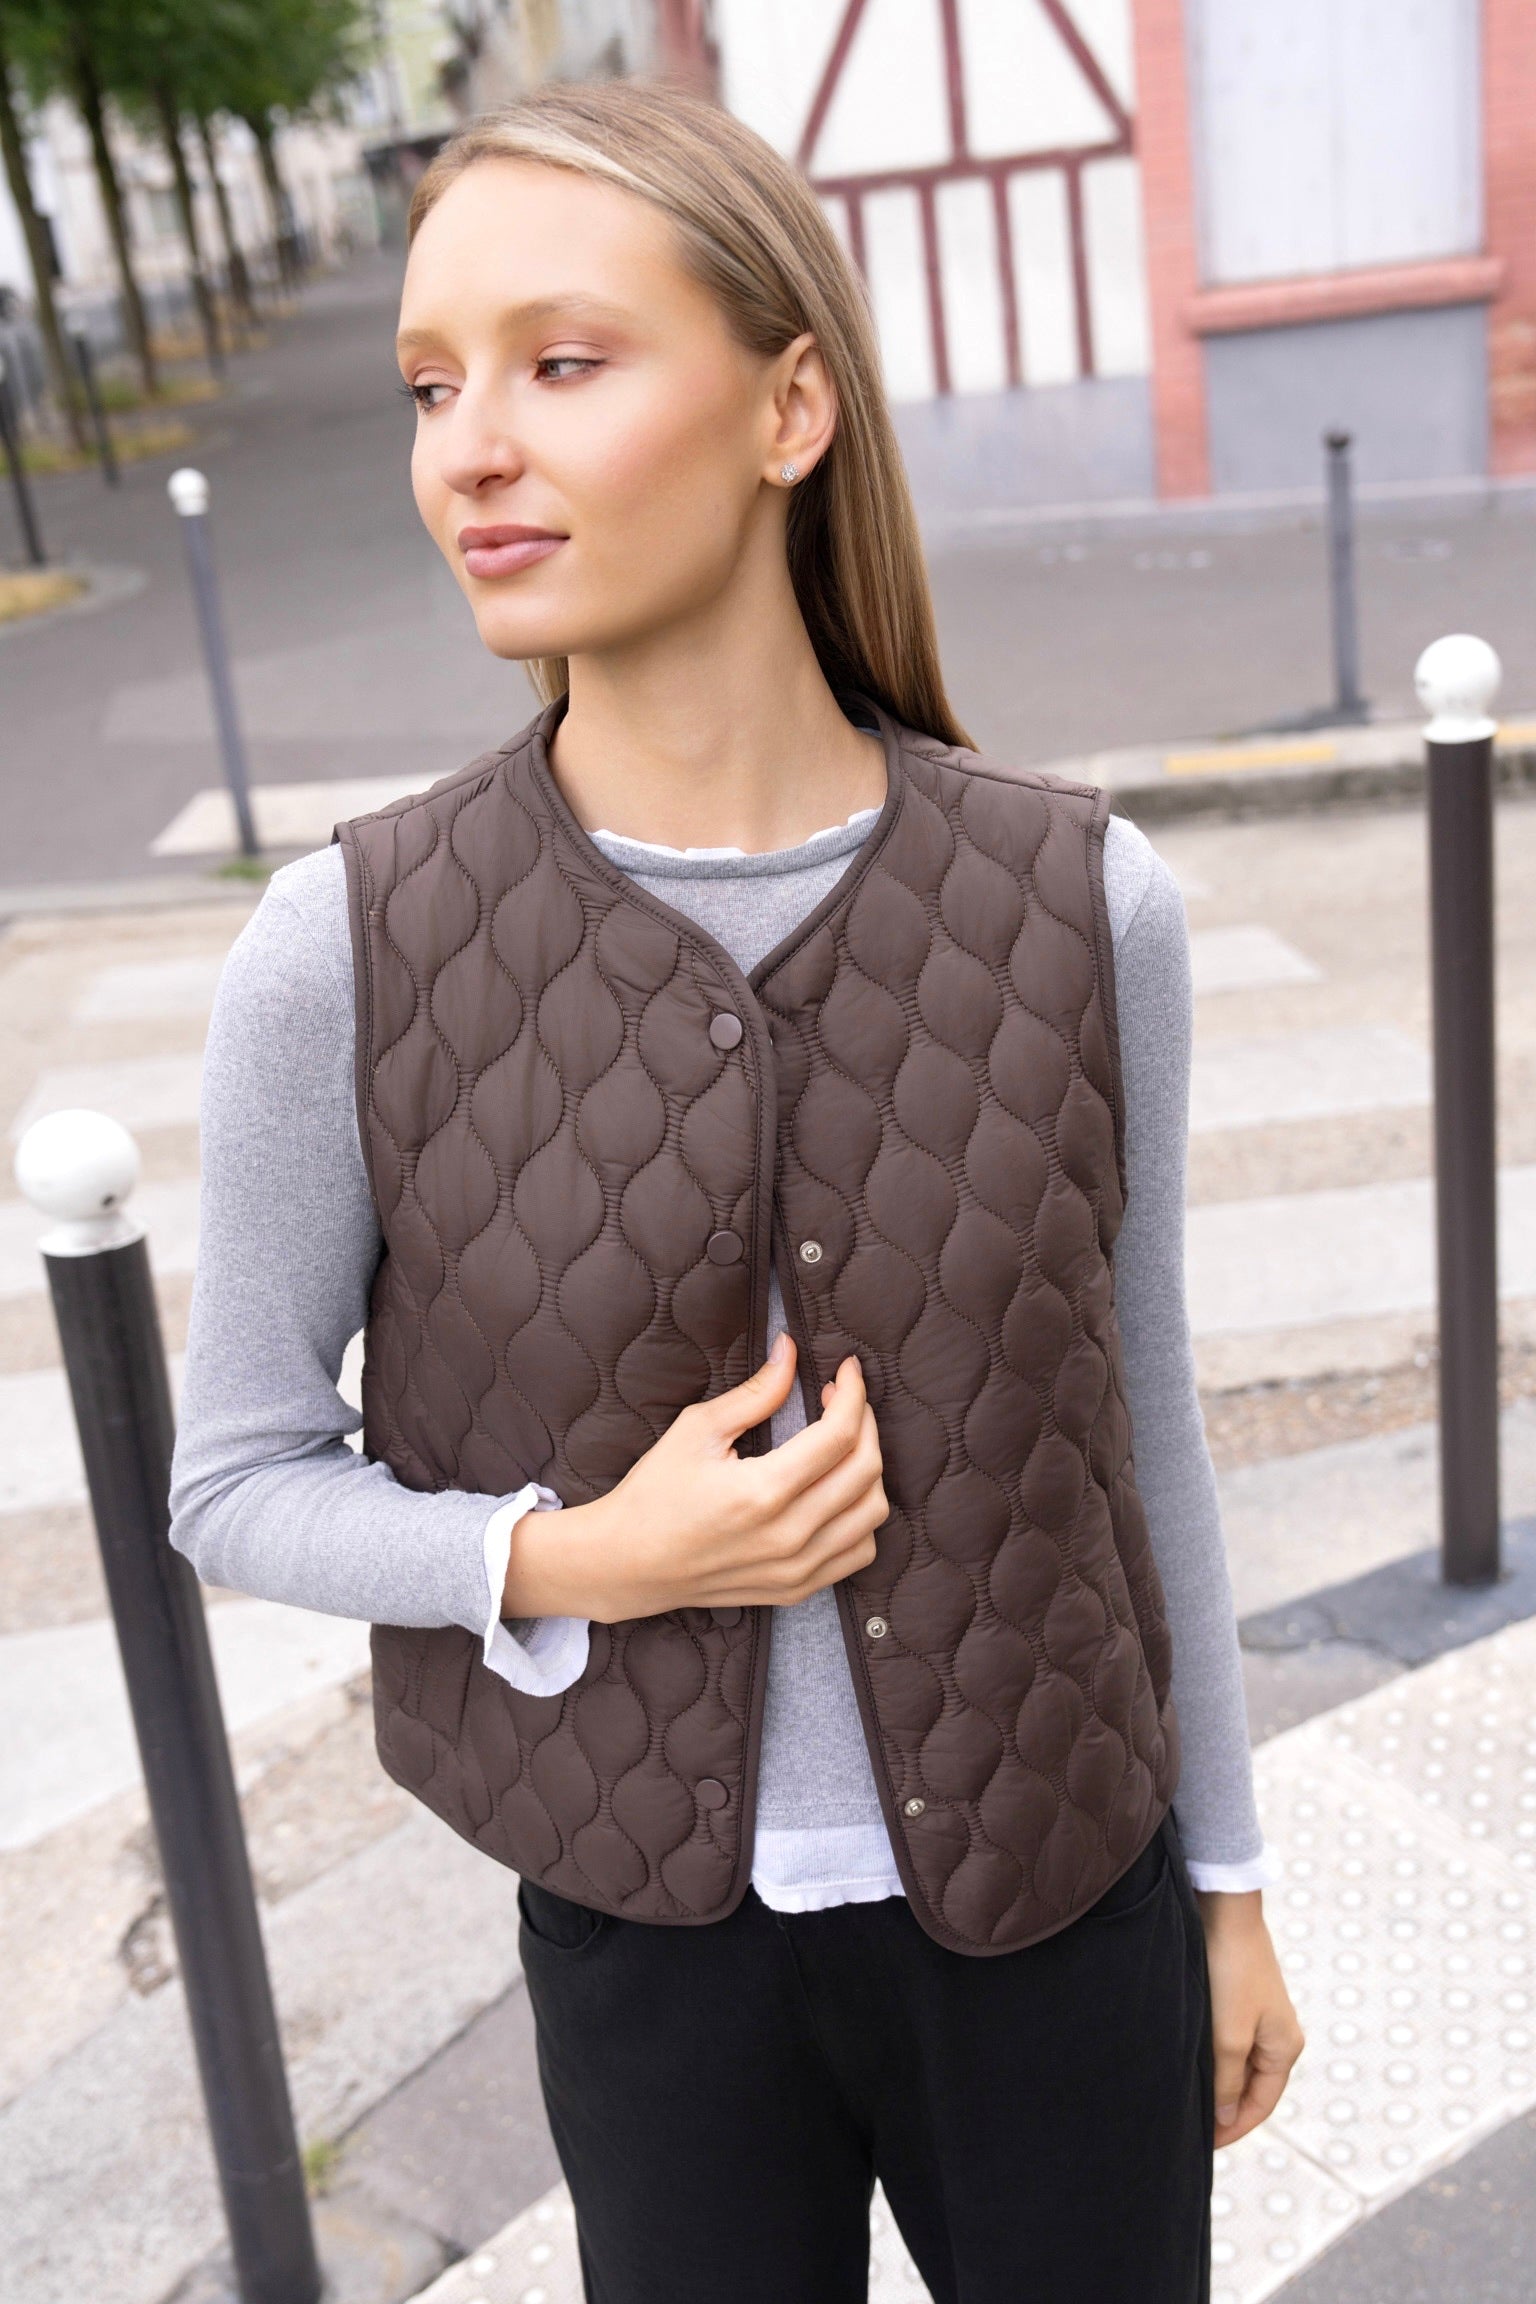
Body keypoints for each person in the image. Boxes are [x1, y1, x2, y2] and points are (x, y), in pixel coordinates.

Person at [170, 79, 1303, 2304]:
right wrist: (583, 1555)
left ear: (791, 406)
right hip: (651, 1966)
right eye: (431, 387)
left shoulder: (1087, 905)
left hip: (1062, 1909)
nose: (471, 450)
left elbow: (1136, 1431)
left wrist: (1231, 1882)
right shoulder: (347, 949)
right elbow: (234, 1476)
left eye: (560, 362)